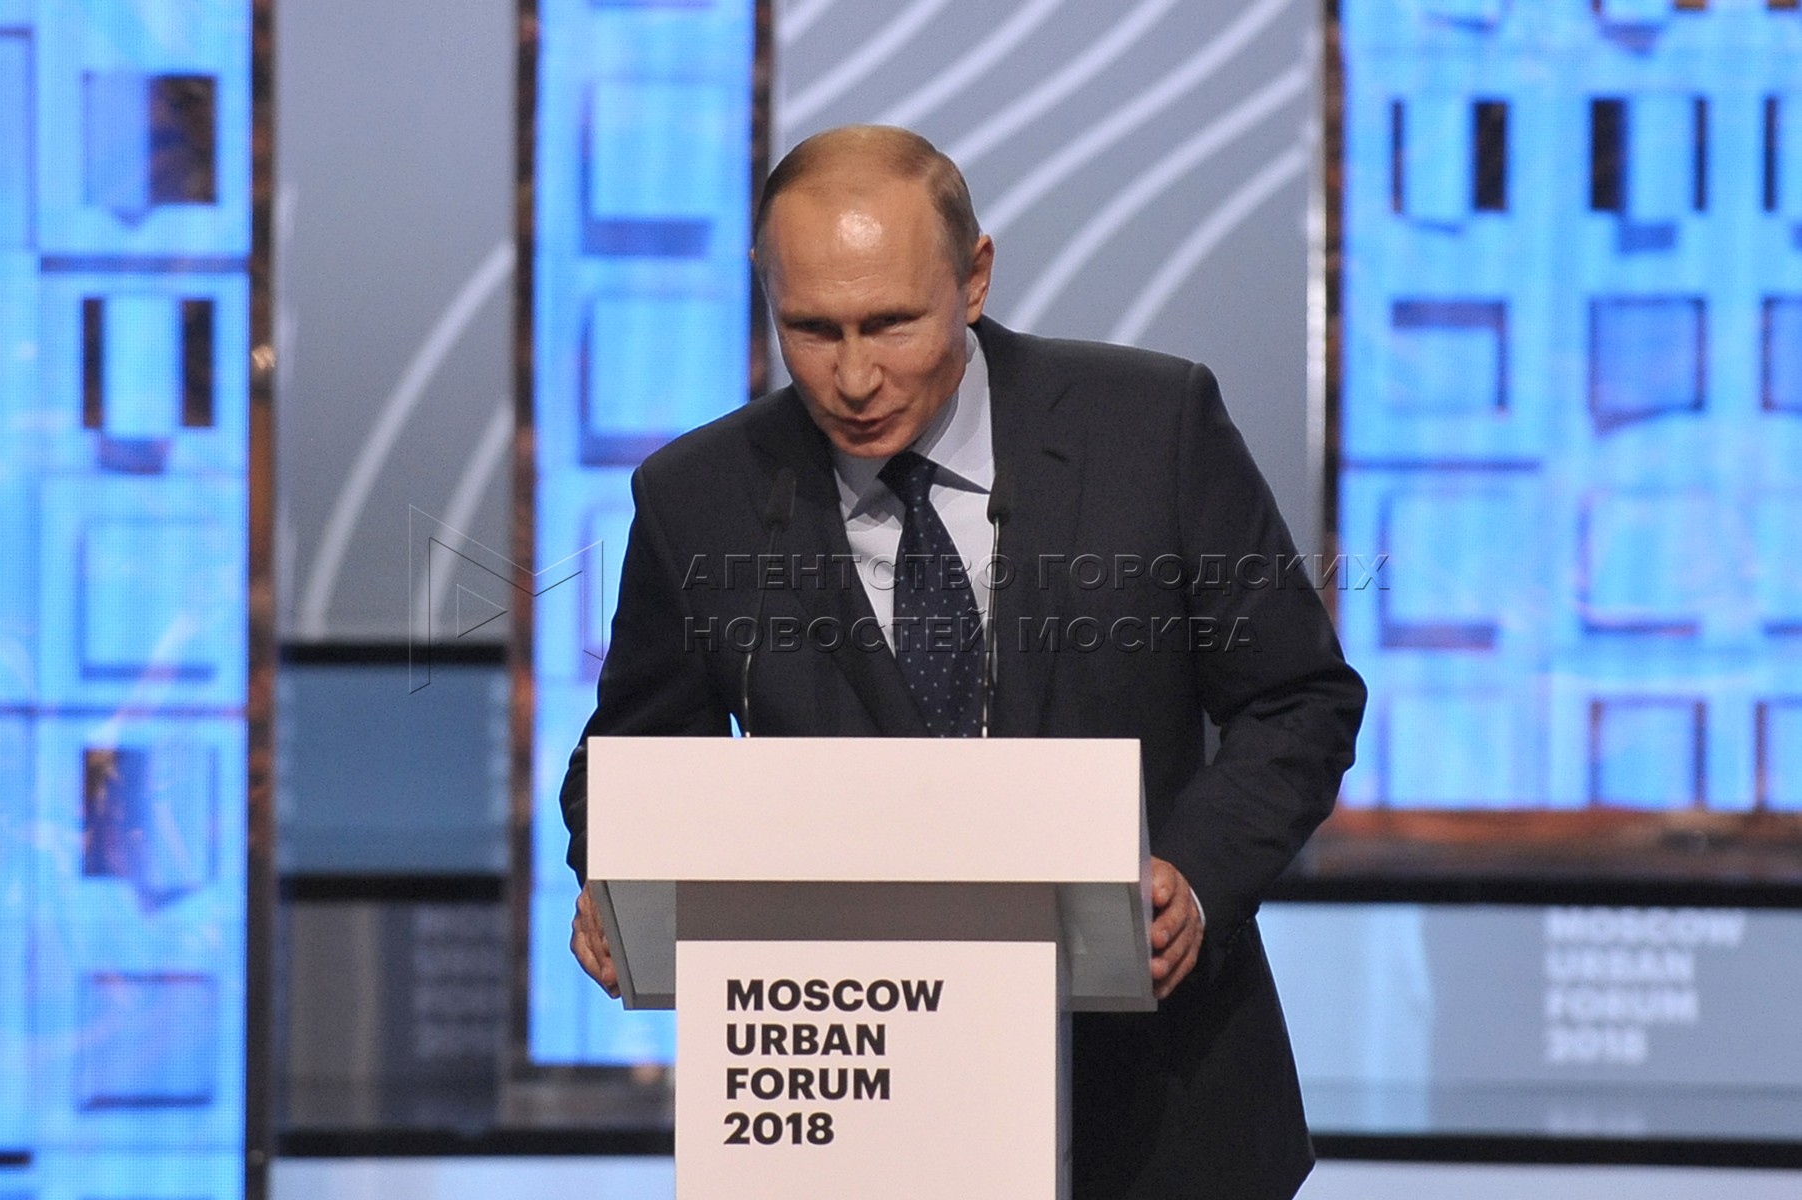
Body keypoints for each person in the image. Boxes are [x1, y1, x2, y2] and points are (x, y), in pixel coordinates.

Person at [562, 125, 1365, 1199]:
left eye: (891, 324)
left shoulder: (1152, 427)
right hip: (859, 1111)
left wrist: (1196, 877)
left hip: (1158, 1112)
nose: (854, 377)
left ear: (974, 277)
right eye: (812, 330)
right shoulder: (696, 497)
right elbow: (627, 761)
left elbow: (1299, 698)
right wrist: (616, 868)